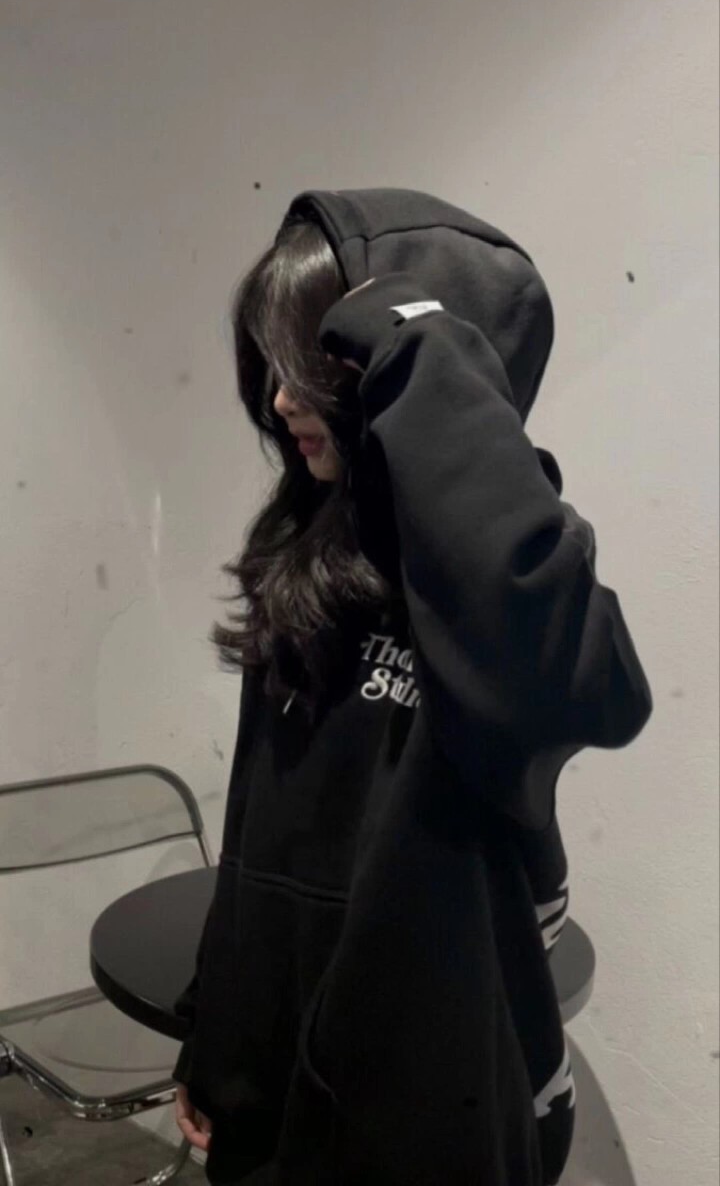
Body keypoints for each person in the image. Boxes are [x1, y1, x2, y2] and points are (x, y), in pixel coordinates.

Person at [172, 187, 653, 1185]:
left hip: (434, 1121)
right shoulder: (302, 558)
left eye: (311, 367)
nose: (281, 403)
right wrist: (213, 1035)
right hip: (275, 1103)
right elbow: (257, 832)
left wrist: (422, 344)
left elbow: (584, 690)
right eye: (273, 369)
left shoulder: (501, 580)